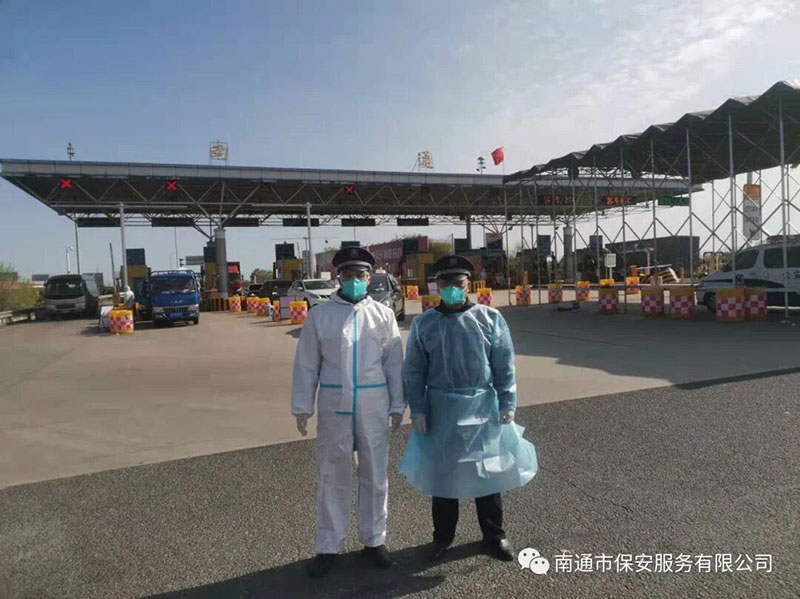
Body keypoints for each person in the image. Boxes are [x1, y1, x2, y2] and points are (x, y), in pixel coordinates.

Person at [399, 255, 538, 562]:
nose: (452, 288)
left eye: (458, 283)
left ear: (468, 285)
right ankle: (442, 537)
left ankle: (494, 535)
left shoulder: (489, 318)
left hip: (481, 405)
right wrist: (417, 409)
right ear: (437, 286)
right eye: (445, 283)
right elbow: (414, 371)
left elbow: (504, 364)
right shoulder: (424, 324)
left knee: (487, 471)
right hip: (441, 408)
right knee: (443, 475)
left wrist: (508, 402)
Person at [291, 246, 405, 579]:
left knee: (375, 473)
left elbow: (394, 363)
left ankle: (375, 539)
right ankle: (329, 544)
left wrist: (398, 404)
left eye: (361, 275)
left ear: (369, 278)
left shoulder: (382, 315)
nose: (355, 280)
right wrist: (302, 405)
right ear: (338, 277)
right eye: (349, 274)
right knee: (332, 474)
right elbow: (307, 364)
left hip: (372, 402)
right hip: (335, 404)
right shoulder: (321, 315)